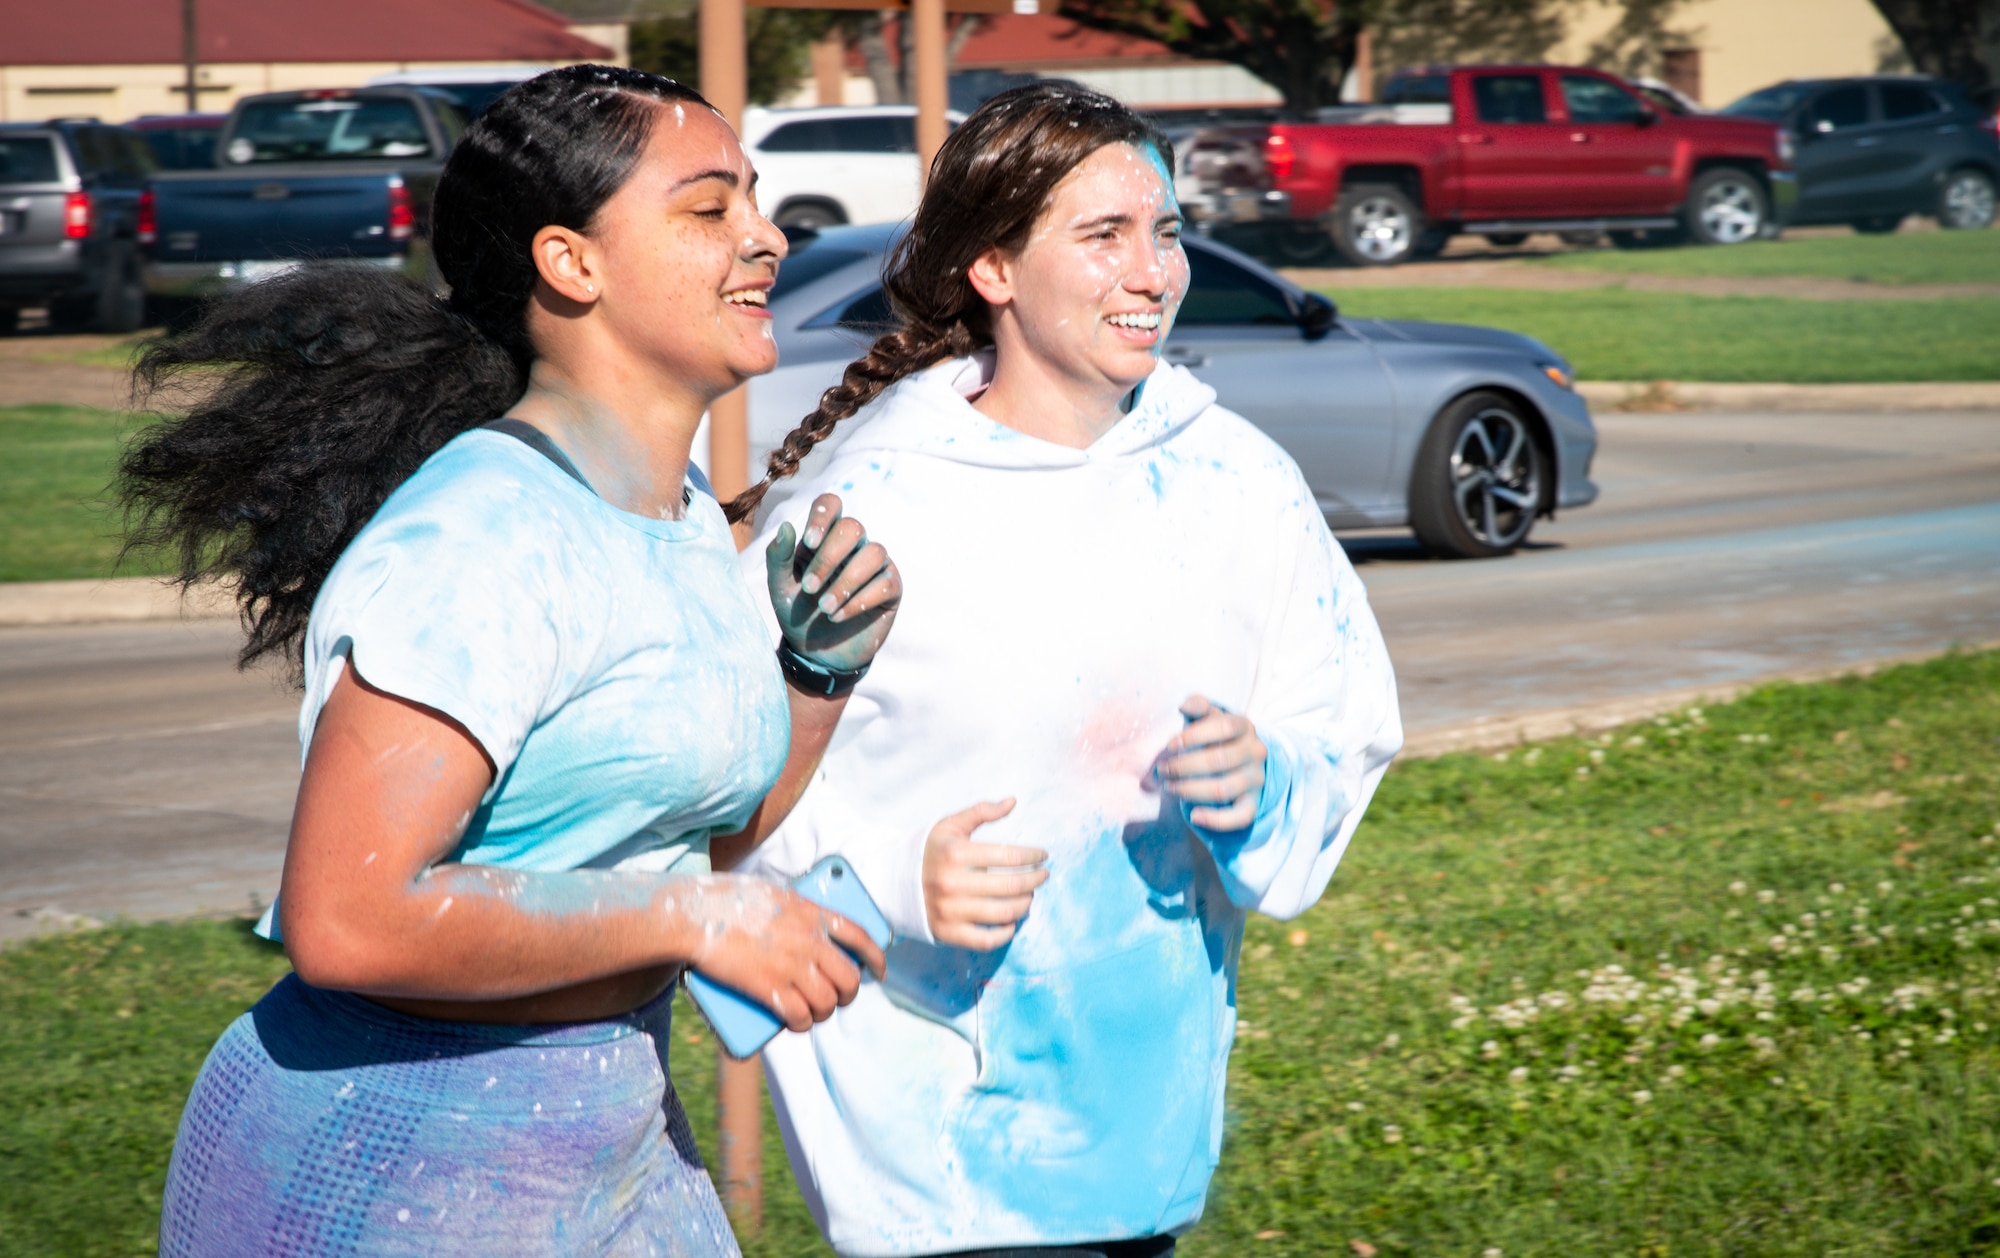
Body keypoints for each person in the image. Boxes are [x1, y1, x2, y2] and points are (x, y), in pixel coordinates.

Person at [124, 66, 900, 1256]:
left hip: (608, 1139)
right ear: (568, 263)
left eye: (752, 197)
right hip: (388, 1157)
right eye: (708, 208)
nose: (764, 235)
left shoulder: (683, 513)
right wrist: (689, 917)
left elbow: (681, 840)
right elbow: (349, 916)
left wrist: (813, 678)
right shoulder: (479, 537)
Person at [724, 83, 1404, 1257]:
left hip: (1144, 1146)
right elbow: (711, 810)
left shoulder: (1235, 479)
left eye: (1167, 231)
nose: (1152, 272)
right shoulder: (869, 508)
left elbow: (1342, 722)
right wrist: (893, 880)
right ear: (993, 268)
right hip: (931, 1163)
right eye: (1102, 237)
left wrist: (1269, 780)